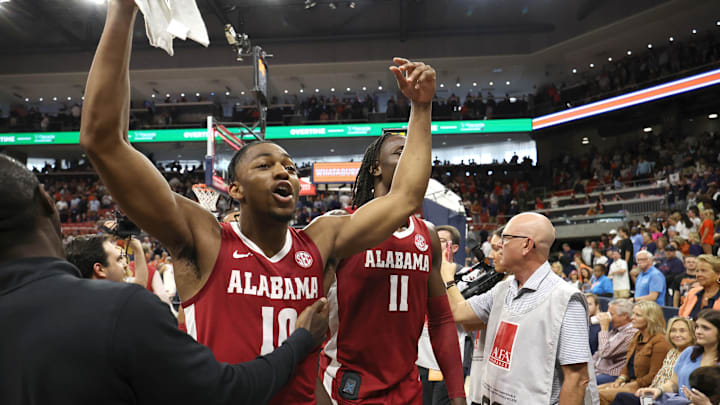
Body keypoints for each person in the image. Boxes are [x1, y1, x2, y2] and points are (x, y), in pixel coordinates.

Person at [79, 1, 437, 403]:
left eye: (288, 166)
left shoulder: (320, 241)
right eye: (265, 165)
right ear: (235, 189)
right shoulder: (203, 237)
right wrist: (123, 11)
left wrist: (421, 108)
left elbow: (405, 197)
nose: (283, 171)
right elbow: (103, 142)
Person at [0, 153, 329, 405]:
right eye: (118, 259)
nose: (283, 171)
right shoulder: (123, 310)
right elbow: (224, 391)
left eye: (290, 167)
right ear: (47, 201)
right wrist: (300, 341)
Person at [317, 132, 464, 404]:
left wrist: (457, 394)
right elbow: (302, 318)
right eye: (400, 152)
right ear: (375, 167)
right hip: (346, 389)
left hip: (407, 389)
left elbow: (442, 321)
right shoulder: (340, 227)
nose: (411, 158)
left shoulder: (427, 235)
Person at [441, 212, 600, 404]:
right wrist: (446, 277)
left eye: (506, 239)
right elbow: (459, 312)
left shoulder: (566, 299)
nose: (500, 245)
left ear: (526, 245)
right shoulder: (502, 289)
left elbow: (576, 378)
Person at [416, 225, 467, 405]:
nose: (436, 245)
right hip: (421, 360)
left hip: (448, 361)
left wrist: (448, 280)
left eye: (442, 241)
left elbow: (462, 314)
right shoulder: (420, 272)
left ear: (454, 248)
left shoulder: (466, 276)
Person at [634, 309, 720, 404]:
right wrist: (659, 389)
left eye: (705, 328)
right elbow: (674, 383)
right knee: (626, 398)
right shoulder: (689, 352)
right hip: (679, 402)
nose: (698, 332)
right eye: (697, 327)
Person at [611, 317, 696, 405]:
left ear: (692, 333)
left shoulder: (694, 354)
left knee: (622, 397)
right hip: (654, 393)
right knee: (622, 397)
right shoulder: (672, 352)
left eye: (682, 331)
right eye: (673, 330)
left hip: (670, 398)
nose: (677, 334)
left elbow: (677, 385)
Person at [598, 301, 670, 404]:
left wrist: (631, 385)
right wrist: (621, 379)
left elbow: (654, 376)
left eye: (638, 315)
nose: (632, 318)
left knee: (599, 395)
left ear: (650, 319)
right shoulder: (637, 336)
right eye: (633, 314)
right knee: (590, 391)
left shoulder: (660, 342)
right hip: (629, 382)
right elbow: (628, 365)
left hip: (645, 389)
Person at [593, 299, 638, 385]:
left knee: (583, 382)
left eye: (611, 314)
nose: (608, 317)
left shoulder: (631, 332)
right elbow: (598, 354)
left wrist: (604, 328)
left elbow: (605, 353)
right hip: (597, 371)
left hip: (611, 374)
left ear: (625, 316)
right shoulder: (616, 329)